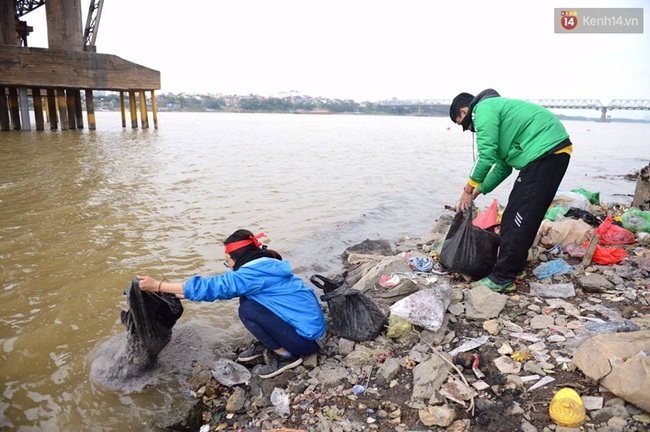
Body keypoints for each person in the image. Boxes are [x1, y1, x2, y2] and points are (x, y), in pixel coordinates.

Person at [138, 229, 326, 379]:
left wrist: (158, 285)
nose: (228, 265)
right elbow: (226, 289)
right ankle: (272, 343)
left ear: (236, 258)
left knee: (248, 309)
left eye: (227, 261)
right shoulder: (266, 266)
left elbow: (215, 287)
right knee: (248, 299)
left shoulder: (252, 275)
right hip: (308, 330)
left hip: (306, 341)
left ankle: (287, 356)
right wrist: (179, 294)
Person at [449, 89, 572, 293]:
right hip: (550, 153)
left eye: (464, 125)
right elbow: (502, 167)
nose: (470, 130)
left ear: (464, 111)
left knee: (518, 216)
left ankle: (502, 277)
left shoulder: (482, 109)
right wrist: (477, 191)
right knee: (520, 216)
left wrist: (466, 189)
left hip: (546, 152)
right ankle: (515, 268)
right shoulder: (497, 114)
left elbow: (485, 157)